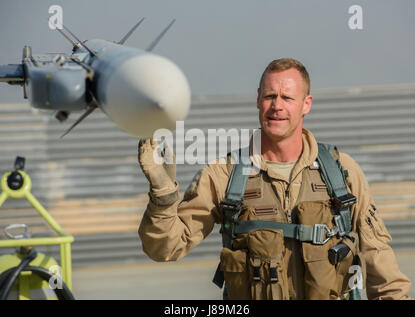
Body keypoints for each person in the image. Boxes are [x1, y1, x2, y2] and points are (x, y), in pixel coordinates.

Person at [137, 58, 412, 300]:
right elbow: (165, 248)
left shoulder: (342, 172)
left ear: (306, 104)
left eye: (287, 98)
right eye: (270, 96)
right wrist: (162, 192)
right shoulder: (224, 174)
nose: (276, 106)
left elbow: (379, 259)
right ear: (258, 99)